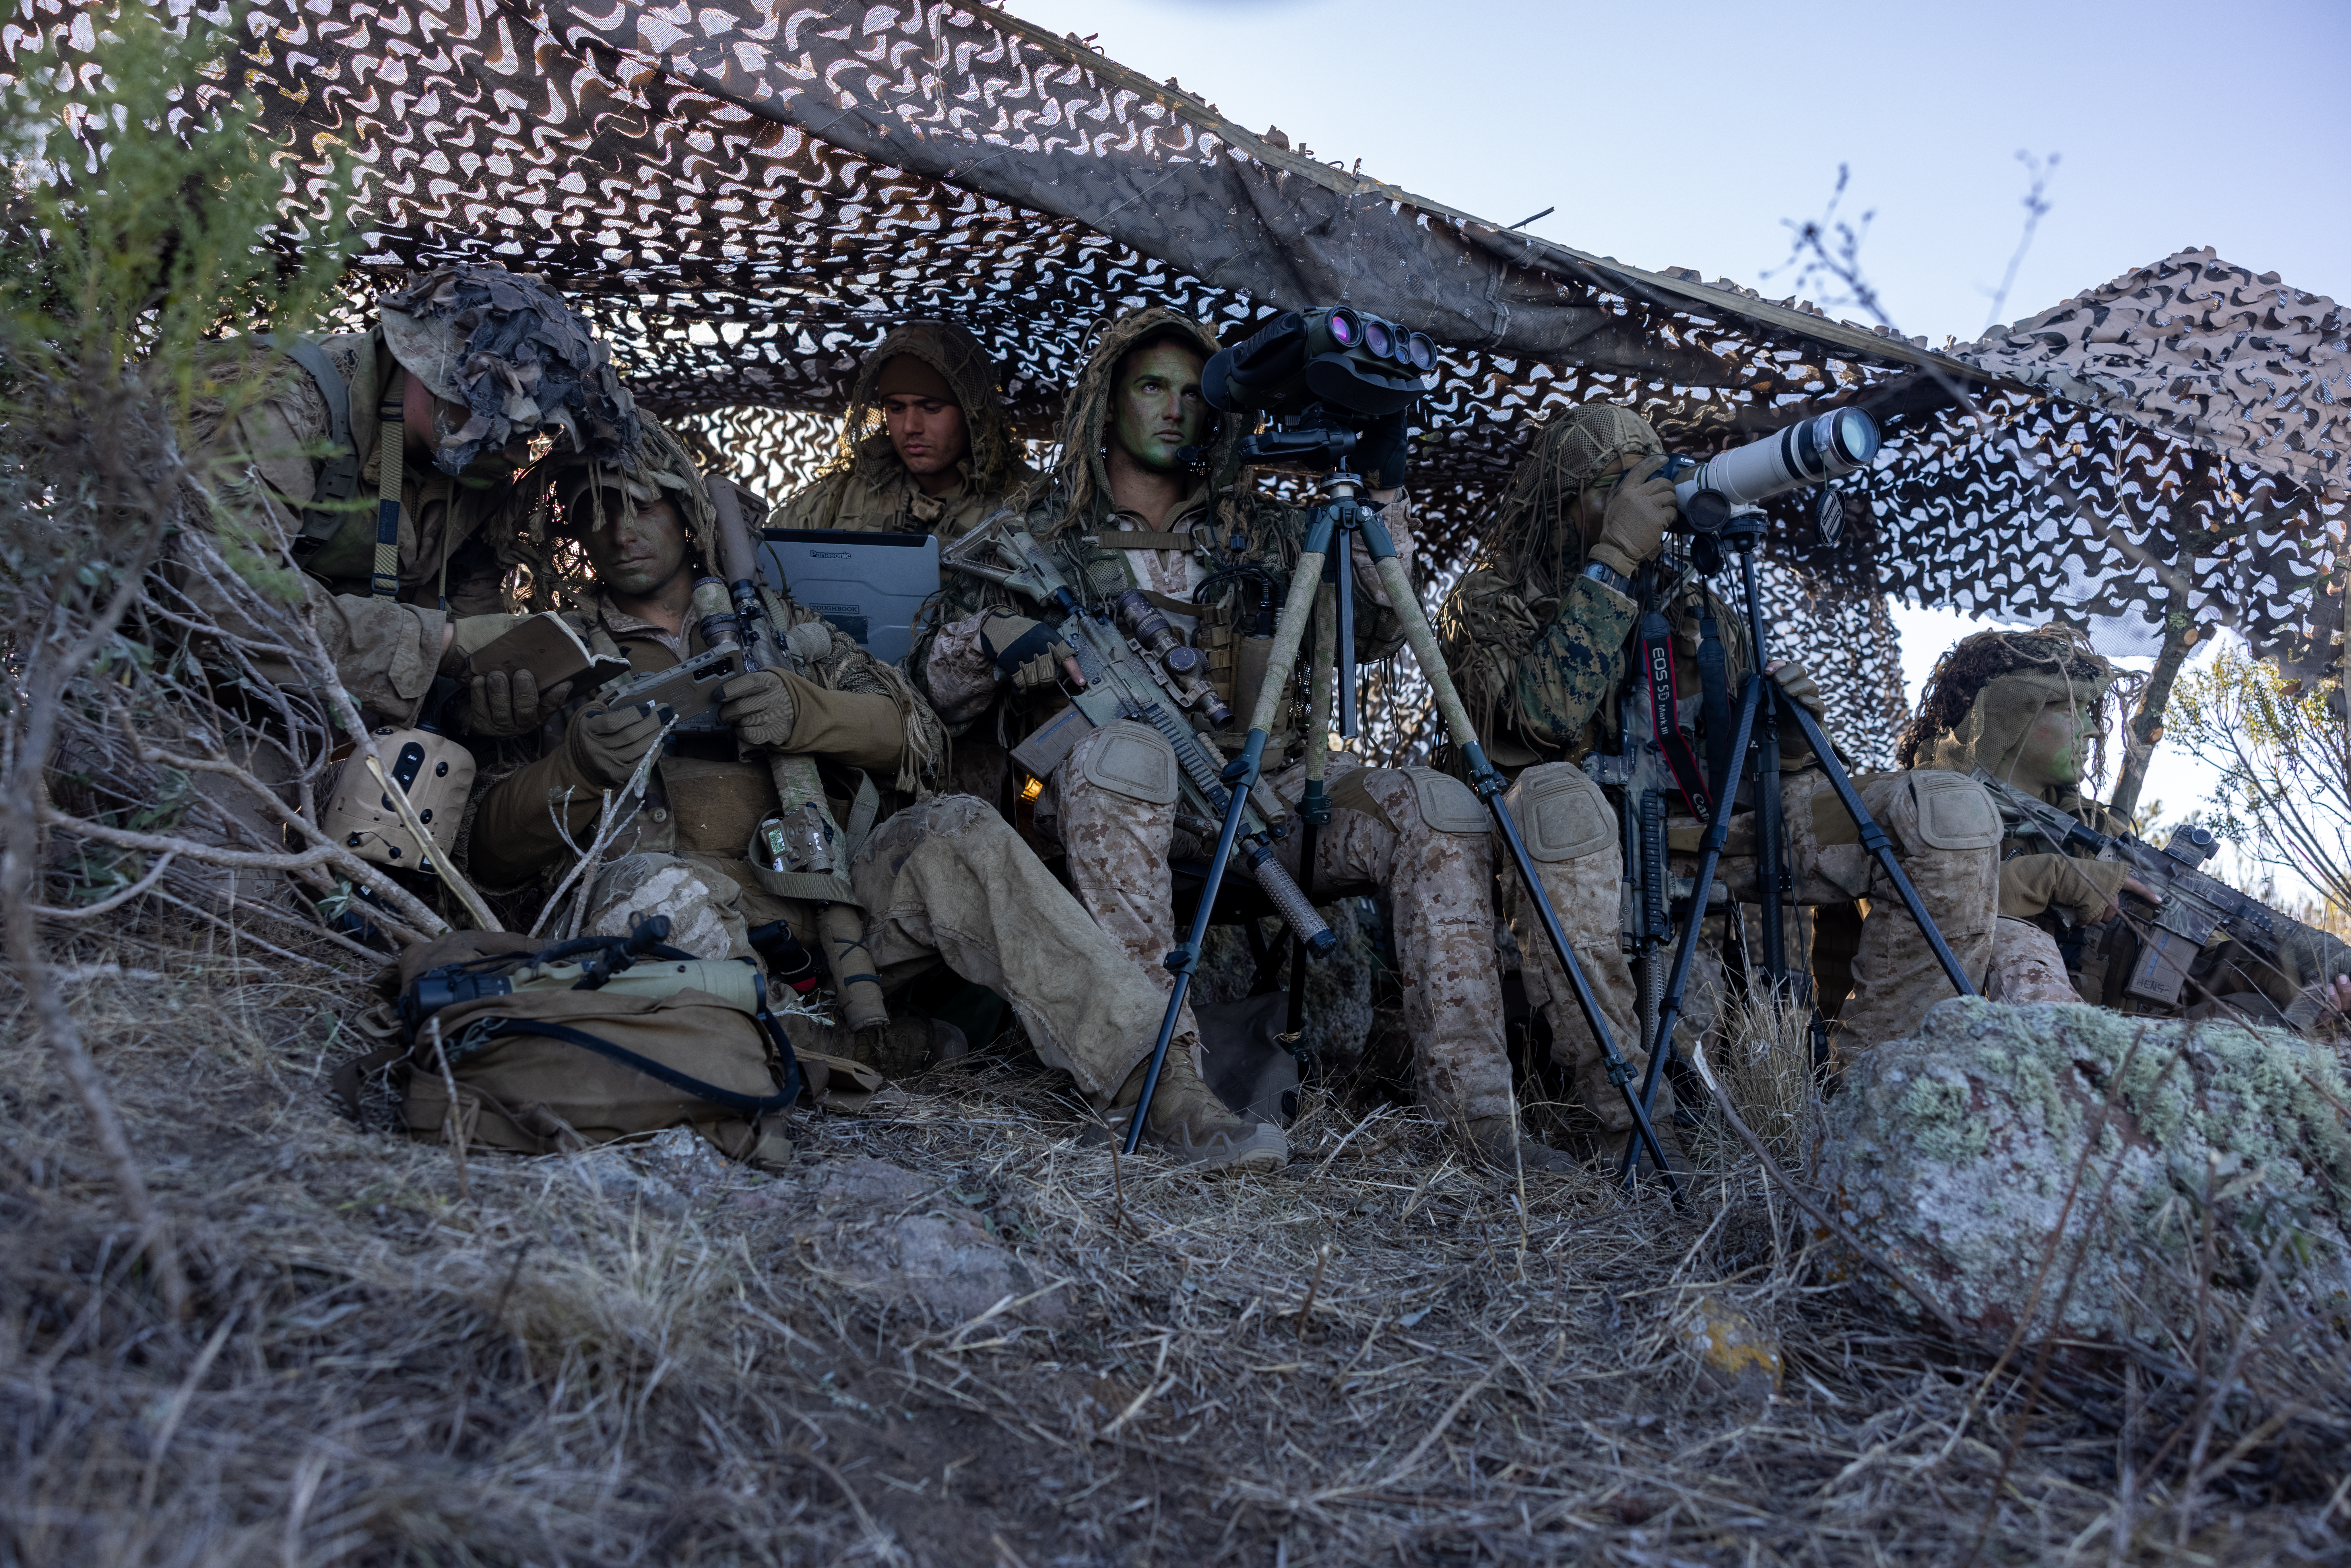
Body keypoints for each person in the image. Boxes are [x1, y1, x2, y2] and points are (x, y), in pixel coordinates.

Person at [465, 423, 1286, 1172]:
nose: (620, 531)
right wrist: (572, 770)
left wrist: (808, 712)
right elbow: (489, 854)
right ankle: (836, 1054)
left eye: (642, 507)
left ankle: (1161, 1088)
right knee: (657, 890)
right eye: (595, 513)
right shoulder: (556, 655)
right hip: (679, 920)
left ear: (687, 518)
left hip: (832, 912)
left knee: (959, 829)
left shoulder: (787, 628)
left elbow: (918, 737)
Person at [919, 306, 1564, 1170]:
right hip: (1098, 809)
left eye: (1194, 392)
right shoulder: (1037, 532)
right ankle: (1163, 1089)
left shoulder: (1257, 532)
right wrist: (999, 642)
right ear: (1106, 403)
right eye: (1152, 387)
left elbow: (1378, 629)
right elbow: (935, 688)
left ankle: (1481, 1117)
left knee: (1439, 806)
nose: (1176, 409)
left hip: (1257, 799)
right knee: (1122, 756)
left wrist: (1381, 493)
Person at [1437, 404, 2003, 1113]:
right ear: (1564, 506)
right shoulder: (1490, 602)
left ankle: (1875, 1104)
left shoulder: (1701, 614)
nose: (1647, 501)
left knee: (1943, 812)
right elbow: (1544, 719)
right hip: (1565, 849)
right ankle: (1632, 1117)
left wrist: (1793, 740)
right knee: (1556, 804)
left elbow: (1739, 780)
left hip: (1700, 839)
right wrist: (1614, 559)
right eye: (1615, 486)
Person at [176, 264, 637, 734]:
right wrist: (439, 644)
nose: (520, 448)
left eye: (539, 429)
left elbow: (466, 627)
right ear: (425, 371)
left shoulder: (482, 468)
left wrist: (475, 708)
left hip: (314, 719)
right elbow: (219, 606)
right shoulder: (277, 403)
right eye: (500, 416)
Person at [1901, 624, 2351, 1024]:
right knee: (2017, 942)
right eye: (2071, 711)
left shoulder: (2102, 834)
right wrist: (2057, 878)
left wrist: (2299, 986)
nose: (2092, 732)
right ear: (2011, 710)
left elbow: (2193, 975)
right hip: (1963, 1032)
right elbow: (1904, 905)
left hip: (2117, 1049)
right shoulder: (1916, 801)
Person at [769, 319, 1037, 544]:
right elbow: (766, 553)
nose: (910, 427)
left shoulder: (1031, 502)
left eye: (931, 408)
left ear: (972, 413)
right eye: (896, 408)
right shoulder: (844, 494)